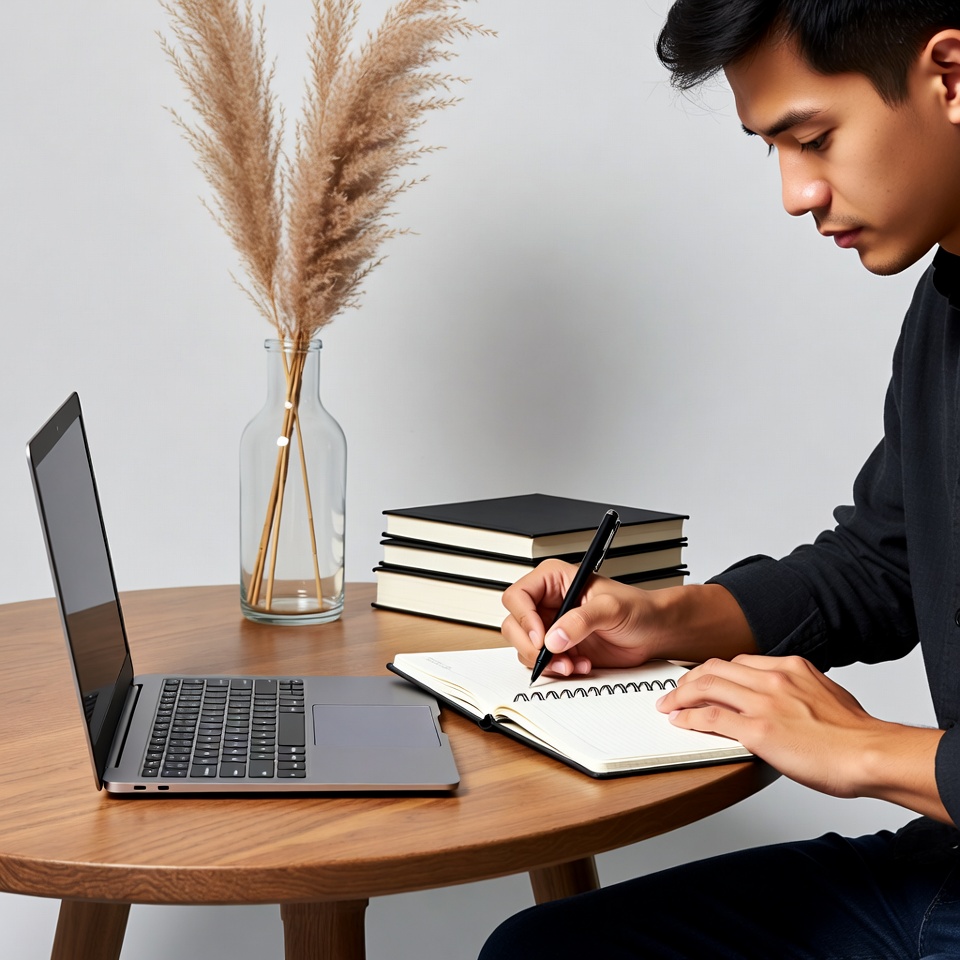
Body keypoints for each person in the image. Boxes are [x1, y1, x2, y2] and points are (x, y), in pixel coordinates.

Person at [478, 1, 960, 957]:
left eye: (812, 138)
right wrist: (662, 618)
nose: (794, 193)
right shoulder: (943, 303)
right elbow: (885, 562)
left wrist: (865, 750)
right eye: (771, 148)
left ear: (949, 76)